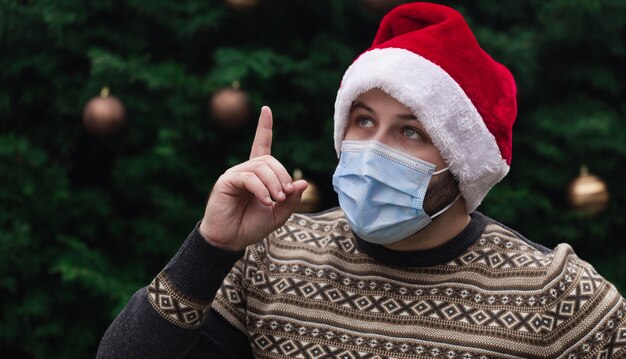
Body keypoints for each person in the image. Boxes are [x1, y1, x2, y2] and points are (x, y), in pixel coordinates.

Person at [97, 2, 626, 358]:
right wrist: (210, 246)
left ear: (463, 161)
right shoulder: (275, 257)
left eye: (411, 131)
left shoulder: (555, 294)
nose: (374, 150)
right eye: (364, 120)